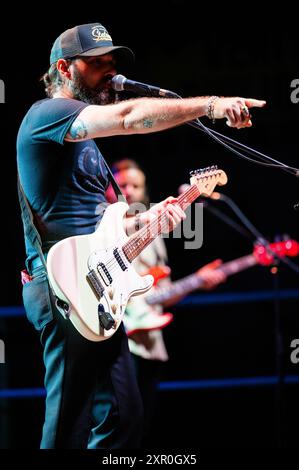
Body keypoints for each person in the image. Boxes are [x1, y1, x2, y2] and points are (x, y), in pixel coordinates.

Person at [16, 22, 265, 449]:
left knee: (123, 417)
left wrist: (154, 219)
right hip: (61, 283)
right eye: (97, 64)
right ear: (64, 67)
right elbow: (130, 118)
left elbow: (107, 229)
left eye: (112, 63)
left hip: (95, 285)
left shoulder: (89, 148)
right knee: (67, 425)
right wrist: (211, 105)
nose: (110, 73)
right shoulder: (47, 115)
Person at [106, 158, 227, 445]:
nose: (131, 191)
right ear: (109, 188)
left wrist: (196, 281)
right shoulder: (101, 228)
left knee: (140, 429)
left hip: (152, 345)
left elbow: (162, 295)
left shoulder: (155, 235)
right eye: (123, 185)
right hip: (118, 337)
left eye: (137, 186)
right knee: (116, 426)